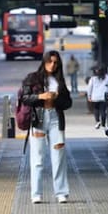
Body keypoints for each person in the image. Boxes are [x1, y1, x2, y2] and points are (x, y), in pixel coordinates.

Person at [20, 50, 72, 204]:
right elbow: (24, 98)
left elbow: (68, 103)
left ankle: (61, 192)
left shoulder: (59, 81)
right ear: (44, 62)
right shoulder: (33, 78)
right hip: (39, 120)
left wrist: (57, 98)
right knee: (37, 158)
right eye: (50, 61)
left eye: (55, 62)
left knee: (59, 157)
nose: (52, 65)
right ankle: (36, 194)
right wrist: (40, 97)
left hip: (56, 120)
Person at [86, 64, 108, 129]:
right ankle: (103, 123)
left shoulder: (93, 79)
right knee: (103, 110)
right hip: (104, 96)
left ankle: (97, 121)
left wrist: (89, 96)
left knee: (96, 109)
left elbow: (89, 88)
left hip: (95, 97)